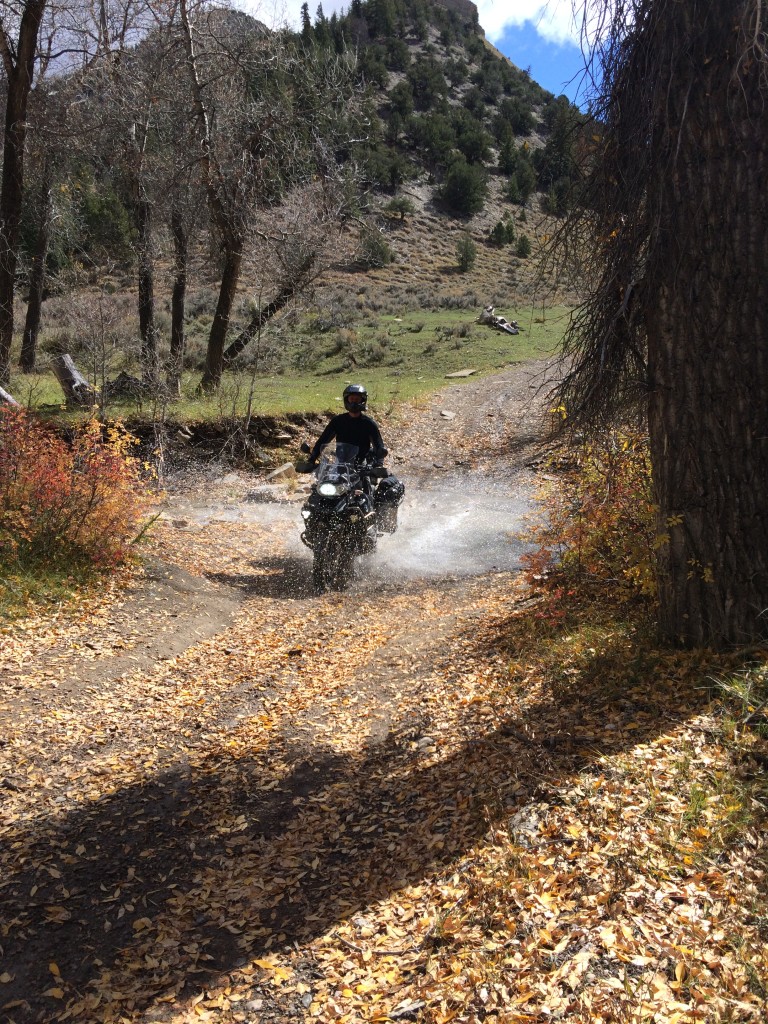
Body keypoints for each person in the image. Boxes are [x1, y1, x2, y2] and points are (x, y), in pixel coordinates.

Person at [307, 383, 387, 467]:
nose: (354, 402)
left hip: (361, 466)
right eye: (351, 399)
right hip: (340, 463)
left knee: (370, 479)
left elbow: (379, 446)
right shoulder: (337, 421)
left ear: (362, 401)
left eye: (357, 399)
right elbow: (323, 440)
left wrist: (379, 464)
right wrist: (312, 459)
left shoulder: (369, 423)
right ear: (346, 400)